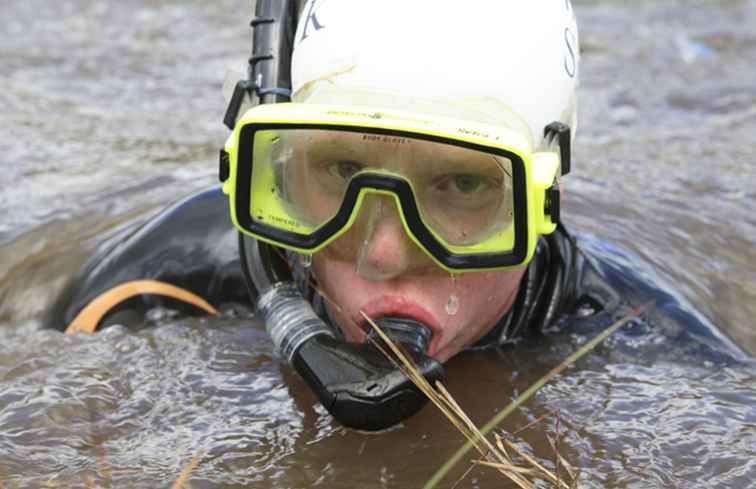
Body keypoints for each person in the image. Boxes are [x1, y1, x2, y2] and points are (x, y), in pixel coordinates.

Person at [44, 0, 745, 430]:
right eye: (342, 172)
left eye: (462, 186)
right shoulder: (156, 288)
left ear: (543, 199)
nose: (381, 253)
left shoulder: (628, 330)